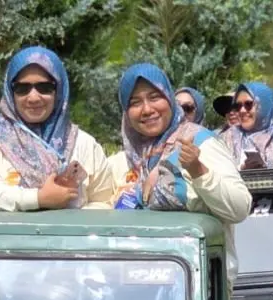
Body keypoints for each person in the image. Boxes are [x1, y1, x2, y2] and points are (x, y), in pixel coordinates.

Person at [108, 63, 252, 285]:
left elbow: (239, 207)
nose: (146, 109)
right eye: (135, 102)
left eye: (155, 97)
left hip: (200, 291)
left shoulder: (198, 141)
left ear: (169, 98)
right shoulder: (131, 158)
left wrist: (198, 170)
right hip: (139, 285)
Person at [0, 46, 115, 211]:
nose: (33, 97)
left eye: (44, 87)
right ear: (11, 92)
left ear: (59, 90)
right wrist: (38, 199)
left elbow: (104, 201)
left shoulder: (83, 144)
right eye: (22, 89)